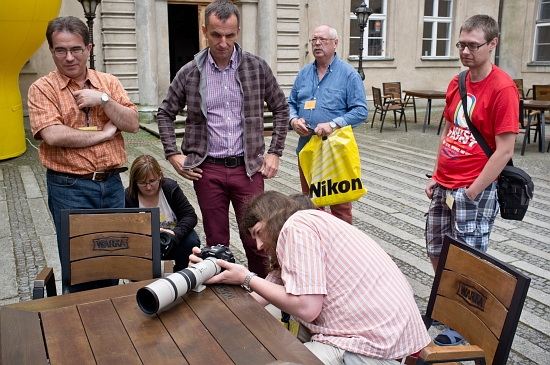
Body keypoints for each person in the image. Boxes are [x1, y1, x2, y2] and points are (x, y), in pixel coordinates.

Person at [191, 191, 431, 365]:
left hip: (374, 347)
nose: (259, 244)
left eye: (259, 233)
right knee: (258, 323)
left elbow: (307, 309)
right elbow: (258, 298)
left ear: (272, 219)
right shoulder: (307, 224)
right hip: (376, 333)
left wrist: (247, 277)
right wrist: (215, 272)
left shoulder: (296, 227)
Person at [156, 0, 289, 278]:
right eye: (216, 34)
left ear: (238, 31)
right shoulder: (191, 71)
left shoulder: (256, 67)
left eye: (229, 34)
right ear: (205, 31)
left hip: (248, 169)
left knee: (258, 241)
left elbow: (281, 107)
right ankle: (225, 305)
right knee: (216, 244)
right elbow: (165, 113)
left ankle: (263, 299)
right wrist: (173, 154)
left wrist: (275, 151)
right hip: (208, 170)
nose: (223, 42)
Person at [424, 14, 519, 346]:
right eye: (461, 44)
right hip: (445, 184)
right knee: (436, 248)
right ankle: (446, 304)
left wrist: (472, 191)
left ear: (492, 44)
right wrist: (437, 176)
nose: (465, 51)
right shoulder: (458, 82)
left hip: (472, 189)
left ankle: (464, 324)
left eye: (473, 45)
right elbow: (449, 130)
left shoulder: (503, 88)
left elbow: (505, 149)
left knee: (468, 258)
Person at [28, 16, 139, 291]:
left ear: (88, 48)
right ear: (51, 50)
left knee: (114, 259)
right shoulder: (42, 88)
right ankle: (80, 326)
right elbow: (52, 134)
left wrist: (102, 99)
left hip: (112, 185)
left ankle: (111, 320)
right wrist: (102, 134)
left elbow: (132, 123)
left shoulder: (108, 83)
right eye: (60, 50)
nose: (69, 57)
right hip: (69, 187)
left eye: (76, 49)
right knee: (80, 267)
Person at [287, 24, 368, 225]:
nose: (317, 43)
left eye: (322, 39)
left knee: (340, 205)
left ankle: (342, 248)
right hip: (307, 148)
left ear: (335, 43)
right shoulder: (304, 74)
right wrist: (293, 120)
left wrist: (333, 124)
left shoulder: (349, 74)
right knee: (311, 203)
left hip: (335, 150)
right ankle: (318, 244)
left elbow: (360, 111)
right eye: (314, 39)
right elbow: (290, 103)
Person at [125, 155, 200, 271]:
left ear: (159, 175)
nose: (149, 187)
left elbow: (190, 215)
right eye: (142, 183)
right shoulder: (129, 197)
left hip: (173, 238)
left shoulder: (170, 188)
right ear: (134, 182)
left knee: (191, 240)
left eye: (152, 181)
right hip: (145, 242)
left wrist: (175, 233)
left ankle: (182, 273)